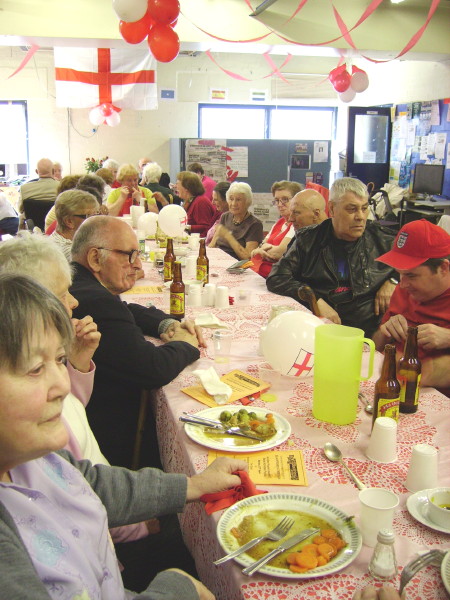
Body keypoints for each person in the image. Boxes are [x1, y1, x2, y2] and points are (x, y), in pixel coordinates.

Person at [0, 271, 246, 599]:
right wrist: (177, 588)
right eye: (34, 369)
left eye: (60, 360)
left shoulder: (30, 456)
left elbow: (90, 483)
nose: (61, 384)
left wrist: (193, 485)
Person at [70, 216, 204, 469]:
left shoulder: (81, 283)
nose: (139, 266)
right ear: (95, 258)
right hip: (107, 436)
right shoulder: (95, 301)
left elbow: (125, 309)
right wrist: (187, 344)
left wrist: (166, 323)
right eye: (130, 256)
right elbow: (152, 368)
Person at [267, 177, 397, 337]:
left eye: (364, 208)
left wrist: (394, 280)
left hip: (368, 330)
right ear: (333, 209)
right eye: (352, 209)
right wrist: (315, 299)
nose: (361, 217)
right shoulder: (308, 240)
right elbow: (277, 277)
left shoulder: (383, 239)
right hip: (318, 329)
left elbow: (419, 266)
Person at [373, 219, 450, 391]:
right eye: (400, 274)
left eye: (412, 275)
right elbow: (376, 346)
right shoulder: (405, 290)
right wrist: (385, 332)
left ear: (444, 268)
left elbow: (434, 372)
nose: (402, 284)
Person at [250, 180, 302, 277]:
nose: (279, 204)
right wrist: (259, 250)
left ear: (296, 201)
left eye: (285, 199)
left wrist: (260, 251)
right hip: (258, 272)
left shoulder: (296, 224)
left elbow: (278, 253)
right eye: (277, 200)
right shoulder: (280, 222)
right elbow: (255, 251)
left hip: (275, 276)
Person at [209, 181, 264, 260]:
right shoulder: (225, 216)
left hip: (236, 266)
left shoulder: (255, 224)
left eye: (238, 200)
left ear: (247, 202)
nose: (234, 204)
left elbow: (247, 257)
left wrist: (228, 236)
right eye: (231, 199)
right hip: (218, 259)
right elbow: (212, 245)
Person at [50, 189, 100, 260]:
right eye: (89, 216)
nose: (95, 221)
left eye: (96, 214)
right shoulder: (72, 253)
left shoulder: (74, 241)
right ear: (69, 221)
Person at [177, 171, 219, 237]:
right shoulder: (190, 202)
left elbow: (206, 227)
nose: (176, 187)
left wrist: (186, 227)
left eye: (178, 184)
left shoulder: (200, 202)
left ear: (186, 188)